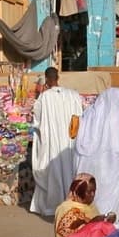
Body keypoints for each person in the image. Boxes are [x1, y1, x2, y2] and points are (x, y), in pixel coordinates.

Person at [30, 67, 83, 216]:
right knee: (69, 170)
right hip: (69, 141)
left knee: (52, 171)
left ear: (47, 79)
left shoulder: (44, 97)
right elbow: (79, 116)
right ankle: (71, 201)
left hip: (52, 142)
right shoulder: (73, 95)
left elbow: (37, 119)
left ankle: (52, 205)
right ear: (58, 77)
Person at [74, 88, 119, 219]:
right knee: (108, 192)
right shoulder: (116, 117)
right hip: (110, 166)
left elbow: (80, 141)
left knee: (94, 190)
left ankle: (92, 215)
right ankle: (108, 216)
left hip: (91, 164)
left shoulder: (90, 113)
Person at [54, 173, 115, 237]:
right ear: (79, 191)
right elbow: (70, 236)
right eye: (89, 192)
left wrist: (106, 222)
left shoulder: (91, 206)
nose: (93, 195)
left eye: (94, 191)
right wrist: (93, 223)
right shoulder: (66, 208)